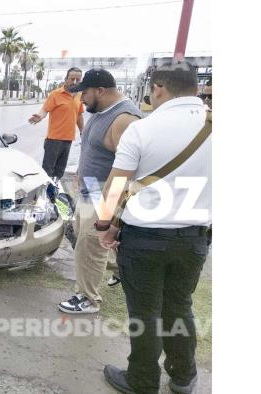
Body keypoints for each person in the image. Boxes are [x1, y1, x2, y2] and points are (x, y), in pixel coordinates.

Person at [96, 62, 212, 394]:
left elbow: (115, 187)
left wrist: (105, 225)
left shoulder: (143, 129)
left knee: (145, 312)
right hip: (194, 238)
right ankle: (183, 377)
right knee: (180, 305)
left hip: (144, 238)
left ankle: (143, 381)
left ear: (159, 86)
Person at [56, 69, 142, 314]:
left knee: (90, 246)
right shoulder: (99, 111)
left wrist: (109, 210)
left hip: (106, 193)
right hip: (89, 189)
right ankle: (124, 273)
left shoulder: (124, 120)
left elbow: (130, 170)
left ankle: (88, 299)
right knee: (87, 238)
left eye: (84, 93)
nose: (80, 98)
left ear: (101, 91)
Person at [29, 67, 85, 180]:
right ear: (66, 79)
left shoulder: (79, 96)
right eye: (72, 79)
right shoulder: (55, 94)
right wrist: (39, 117)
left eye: (77, 80)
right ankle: (43, 195)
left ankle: (54, 193)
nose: (74, 82)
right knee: (47, 172)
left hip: (68, 140)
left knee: (59, 172)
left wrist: (83, 131)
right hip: (53, 140)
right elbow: (45, 110)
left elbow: (79, 115)